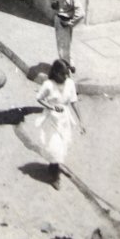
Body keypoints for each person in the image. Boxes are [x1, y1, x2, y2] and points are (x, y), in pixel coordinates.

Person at [35, 58, 85, 189]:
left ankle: (56, 165)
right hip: (51, 119)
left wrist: (81, 121)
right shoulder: (48, 84)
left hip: (64, 119)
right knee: (54, 146)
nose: (66, 76)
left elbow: (74, 102)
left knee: (63, 144)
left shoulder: (70, 83)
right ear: (56, 73)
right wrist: (51, 107)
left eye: (67, 73)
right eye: (63, 74)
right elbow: (39, 98)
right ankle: (54, 176)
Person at [51, 0, 84, 72]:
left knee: (64, 47)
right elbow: (54, 2)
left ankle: (65, 68)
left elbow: (81, 13)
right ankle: (70, 64)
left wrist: (70, 23)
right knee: (62, 45)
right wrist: (54, 5)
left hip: (65, 22)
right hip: (58, 19)